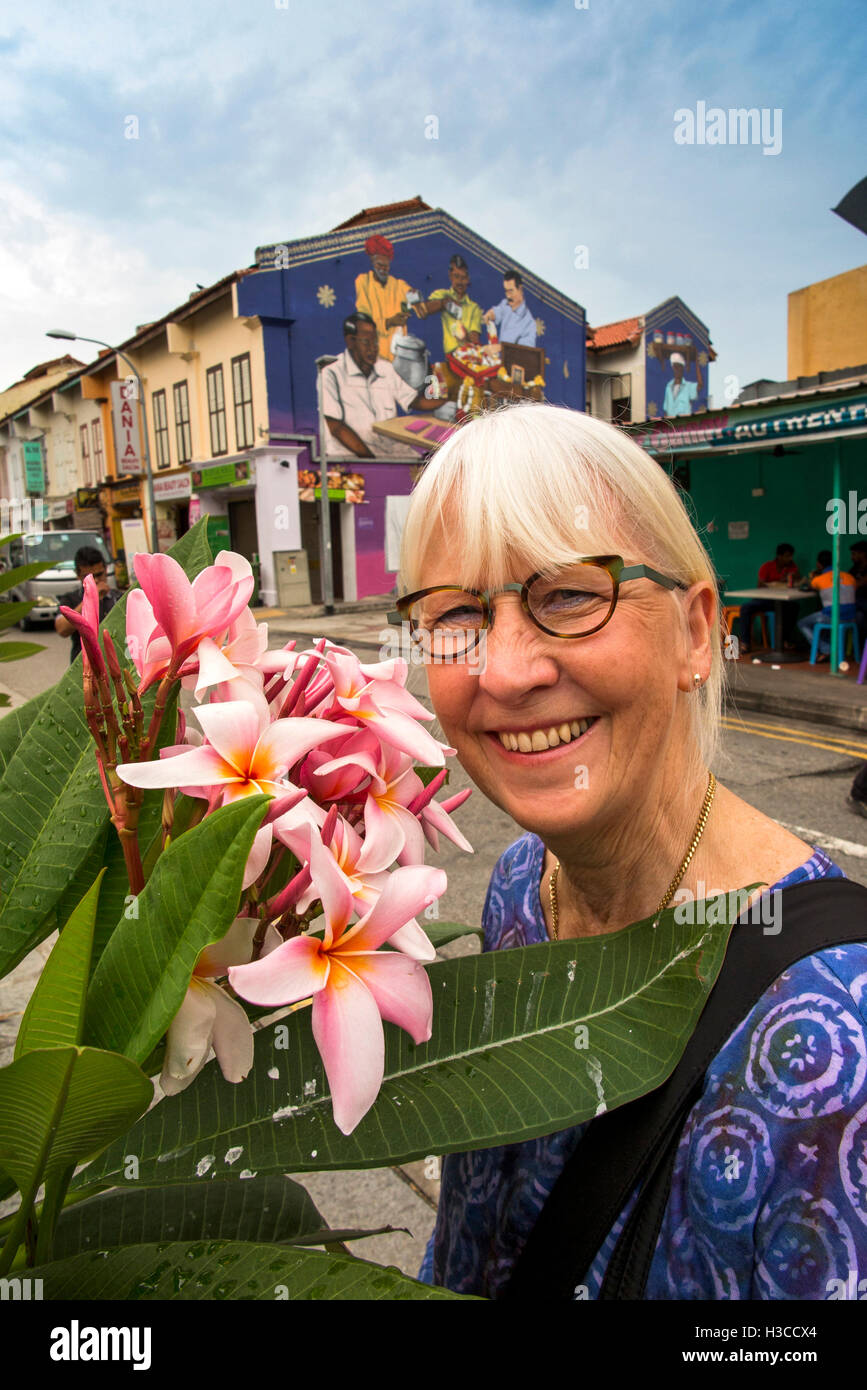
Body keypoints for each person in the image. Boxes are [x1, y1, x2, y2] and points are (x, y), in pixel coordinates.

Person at [390, 403, 866, 1300]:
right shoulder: (520, 889)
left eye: (568, 594)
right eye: (455, 613)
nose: (503, 670)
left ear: (694, 631)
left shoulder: (839, 1027)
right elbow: (474, 1231)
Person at [321, 311, 440, 459]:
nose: (373, 348)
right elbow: (336, 427)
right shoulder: (331, 373)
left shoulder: (386, 369)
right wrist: (374, 463)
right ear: (351, 341)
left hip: (390, 453)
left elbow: (414, 400)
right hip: (353, 458)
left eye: (375, 342)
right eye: (366, 342)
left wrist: (449, 401)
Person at [354, 234, 417, 361]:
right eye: (379, 265)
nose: (383, 269)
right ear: (372, 261)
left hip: (399, 357)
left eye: (386, 266)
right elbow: (364, 323)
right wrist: (389, 322)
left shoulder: (398, 284)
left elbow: (414, 298)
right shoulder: (363, 282)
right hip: (375, 357)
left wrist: (415, 299)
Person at [54, 545, 121, 664]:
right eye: (88, 577)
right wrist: (91, 599)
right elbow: (62, 629)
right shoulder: (71, 599)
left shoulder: (119, 598)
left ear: (106, 570)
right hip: (85, 668)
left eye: (99, 575)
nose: (94, 581)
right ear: (78, 575)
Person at [737, 542, 800, 652]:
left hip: (783, 601)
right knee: (746, 608)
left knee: (794, 608)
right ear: (779, 556)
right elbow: (760, 585)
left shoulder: (792, 567)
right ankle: (745, 643)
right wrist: (776, 583)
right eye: (787, 556)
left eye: (791, 556)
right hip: (765, 600)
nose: (789, 559)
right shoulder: (767, 566)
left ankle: (784, 640)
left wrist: (794, 577)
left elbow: (796, 581)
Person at [796, 549, 858, 659]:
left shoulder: (818, 579)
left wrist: (812, 577)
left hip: (833, 616)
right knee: (823, 621)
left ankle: (826, 649)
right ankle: (827, 649)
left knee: (802, 623)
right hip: (852, 617)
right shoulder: (849, 577)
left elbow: (810, 587)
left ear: (818, 565)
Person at [483, 270, 537, 347]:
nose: (508, 296)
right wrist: (489, 315)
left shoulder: (529, 323)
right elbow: (496, 312)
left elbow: (525, 353)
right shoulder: (505, 304)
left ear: (520, 289)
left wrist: (499, 348)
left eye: (511, 291)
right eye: (506, 291)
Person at [662, 352, 704, 417]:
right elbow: (666, 410)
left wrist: (697, 365)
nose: (677, 370)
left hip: (684, 424)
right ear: (673, 368)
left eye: (679, 367)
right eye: (675, 367)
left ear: (682, 369)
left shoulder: (688, 387)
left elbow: (700, 385)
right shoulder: (668, 387)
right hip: (672, 424)